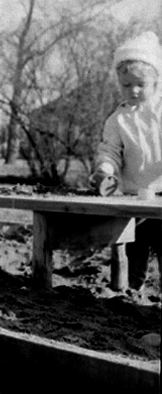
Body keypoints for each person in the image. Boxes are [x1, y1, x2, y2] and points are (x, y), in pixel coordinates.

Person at [91, 30, 162, 296]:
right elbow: (110, 150)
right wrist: (105, 170)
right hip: (134, 198)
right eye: (126, 84)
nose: (133, 90)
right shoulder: (118, 119)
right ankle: (132, 294)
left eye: (140, 84)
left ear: (155, 81)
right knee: (134, 250)